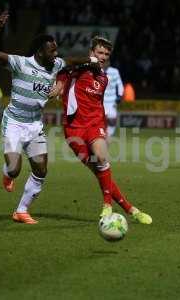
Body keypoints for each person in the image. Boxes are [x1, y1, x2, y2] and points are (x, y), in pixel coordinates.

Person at [0, 11, 96, 224]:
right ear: (40, 51)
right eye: (52, 50)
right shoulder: (20, 63)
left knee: (41, 169)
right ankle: (8, 174)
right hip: (15, 123)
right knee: (14, 169)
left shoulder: (54, 65)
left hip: (35, 125)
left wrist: (92, 60)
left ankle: (21, 211)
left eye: (56, 49)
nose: (56, 54)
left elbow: (72, 61)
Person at [56, 36, 152, 224]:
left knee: (101, 158)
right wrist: (59, 85)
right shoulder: (75, 69)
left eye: (106, 54)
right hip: (73, 130)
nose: (102, 57)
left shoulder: (103, 77)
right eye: (99, 52)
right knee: (100, 173)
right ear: (91, 52)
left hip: (95, 125)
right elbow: (67, 62)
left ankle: (107, 205)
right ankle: (131, 209)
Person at [103, 61, 123, 137]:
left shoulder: (114, 71)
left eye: (108, 62)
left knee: (112, 119)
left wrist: (120, 95)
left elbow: (120, 84)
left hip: (111, 101)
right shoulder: (97, 71)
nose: (106, 63)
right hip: (100, 101)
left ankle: (109, 135)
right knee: (99, 119)